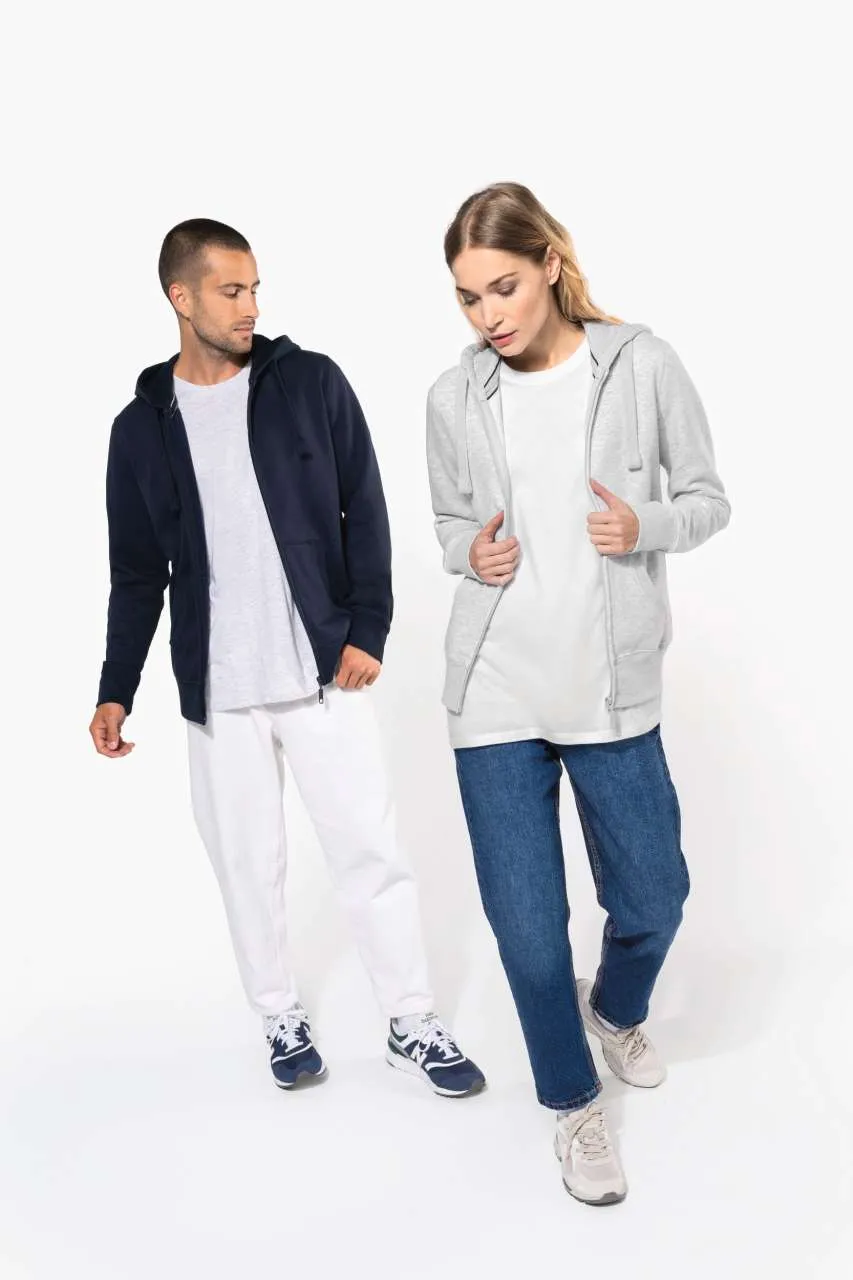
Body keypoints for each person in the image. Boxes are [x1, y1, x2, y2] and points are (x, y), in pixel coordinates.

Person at [90, 218, 484, 1099]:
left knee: (370, 852)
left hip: (321, 674)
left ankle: (410, 1020)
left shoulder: (309, 382)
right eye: (231, 290)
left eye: (255, 288)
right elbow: (136, 573)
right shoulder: (139, 428)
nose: (251, 306)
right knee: (246, 867)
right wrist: (116, 689)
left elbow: (363, 506)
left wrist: (366, 629)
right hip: (218, 690)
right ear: (180, 296)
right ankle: (278, 1015)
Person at [425, 183, 730, 1203]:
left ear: (549, 265)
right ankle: (573, 1105)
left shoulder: (638, 363)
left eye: (503, 287)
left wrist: (643, 526)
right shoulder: (452, 396)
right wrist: (467, 550)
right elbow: (447, 524)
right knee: (525, 930)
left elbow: (707, 499)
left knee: (654, 896)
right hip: (493, 690)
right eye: (469, 297)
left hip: (607, 688)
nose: (489, 314)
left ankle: (616, 1008)